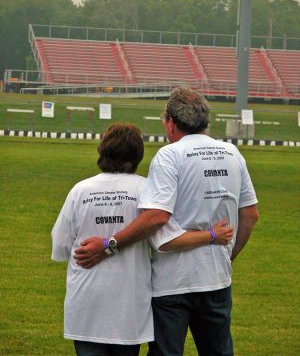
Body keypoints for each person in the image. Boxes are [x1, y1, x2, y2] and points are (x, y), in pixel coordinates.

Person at [75, 88, 259, 356]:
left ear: (171, 122)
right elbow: (251, 214)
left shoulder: (170, 155)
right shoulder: (232, 153)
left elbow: (156, 218)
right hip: (217, 278)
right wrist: (227, 255)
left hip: (173, 283)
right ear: (206, 121)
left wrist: (108, 243)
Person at [51, 122, 233, 356]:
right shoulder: (146, 191)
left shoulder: (80, 190)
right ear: (138, 155)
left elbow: (61, 247)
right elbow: (169, 239)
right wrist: (211, 235)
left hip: (86, 303)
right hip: (129, 308)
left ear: (102, 150)